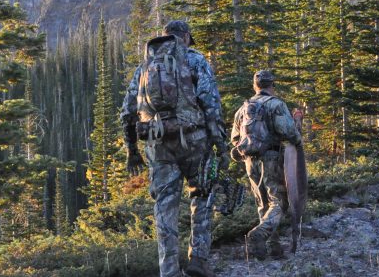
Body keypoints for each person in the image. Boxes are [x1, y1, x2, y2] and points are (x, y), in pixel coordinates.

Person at [120, 20, 228, 277]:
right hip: (195, 140)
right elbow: (210, 103)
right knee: (201, 196)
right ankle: (198, 259)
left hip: (158, 146)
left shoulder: (145, 66)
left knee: (165, 208)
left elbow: (127, 112)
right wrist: (220, 145)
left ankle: (168, 270)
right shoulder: (196, 60)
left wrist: (132, 150)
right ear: (186, 37)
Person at [230, 70, 303, 260]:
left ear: (255, 86)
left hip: (249, 161)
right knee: (278, 201)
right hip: (271, 158)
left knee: (262, 202)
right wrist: (297, 130)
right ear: (272, 85)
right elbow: (289, 133)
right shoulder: (276, 105)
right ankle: (260, 233)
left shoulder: (243, 108)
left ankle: (271, 247)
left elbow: (235, 138)